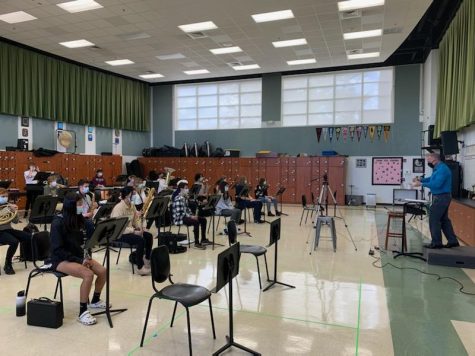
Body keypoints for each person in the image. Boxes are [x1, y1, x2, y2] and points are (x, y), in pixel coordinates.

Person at [49, 192, 107, 325]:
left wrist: (90, 225)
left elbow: (88, 240)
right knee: (88, 274)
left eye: (82, 203)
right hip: (60, 259)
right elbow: (57, 249)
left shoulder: (79, 219)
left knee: (103, 271)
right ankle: (82, 312)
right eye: (79, 204)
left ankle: (95, 300)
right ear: (70, 206)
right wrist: (80, 261)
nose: (82, 206)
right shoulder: (58, 223)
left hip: (78, 256)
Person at [412, 153, 460, 249]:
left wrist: (421, 184)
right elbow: (432, 179)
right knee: (444, 220)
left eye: (428, 158)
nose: (427, 160)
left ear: (434, 158)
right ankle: (452, 241)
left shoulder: (442, 169)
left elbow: (436, 184)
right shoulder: (438, 168)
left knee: (434, 219)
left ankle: (437, 243)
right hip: (441, 197)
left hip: (441, 197)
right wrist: (422, 179)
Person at [110, 186, 153, 275]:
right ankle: (140, 267)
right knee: (140, 240)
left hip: (129, 230)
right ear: (126, 195)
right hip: (119, 233)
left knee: (148, 236)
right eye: (133, 194)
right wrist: (134, 231)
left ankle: (147, 258)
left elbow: (134, 220)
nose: (135, 196)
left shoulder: (132, 205)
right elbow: (118, 227)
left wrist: (140, 228)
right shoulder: (118, 208)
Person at [0, 188, 31, 274]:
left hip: (8, 229)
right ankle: (8, 263)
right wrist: (4, 211)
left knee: (28, 236)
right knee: (14, 242)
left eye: (6, 196)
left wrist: (14, 212)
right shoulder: (5, 208)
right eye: (2, 196)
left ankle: (24, 256)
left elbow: (15, 222)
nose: (5, 198)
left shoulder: (8, 206)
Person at [171, 180, 210, 249]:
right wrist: (191, 217)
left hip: (185, 216)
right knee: (196, 222)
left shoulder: (185, 198)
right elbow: (180, 213)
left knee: (203, 220)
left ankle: (203, 239)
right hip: (180, 218)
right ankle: (197, 243)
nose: (187, 189)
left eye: (187, 188)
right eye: (186, 188)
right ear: (181, 189)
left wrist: (193, 215)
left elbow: (187, 209)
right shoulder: (178, 199)